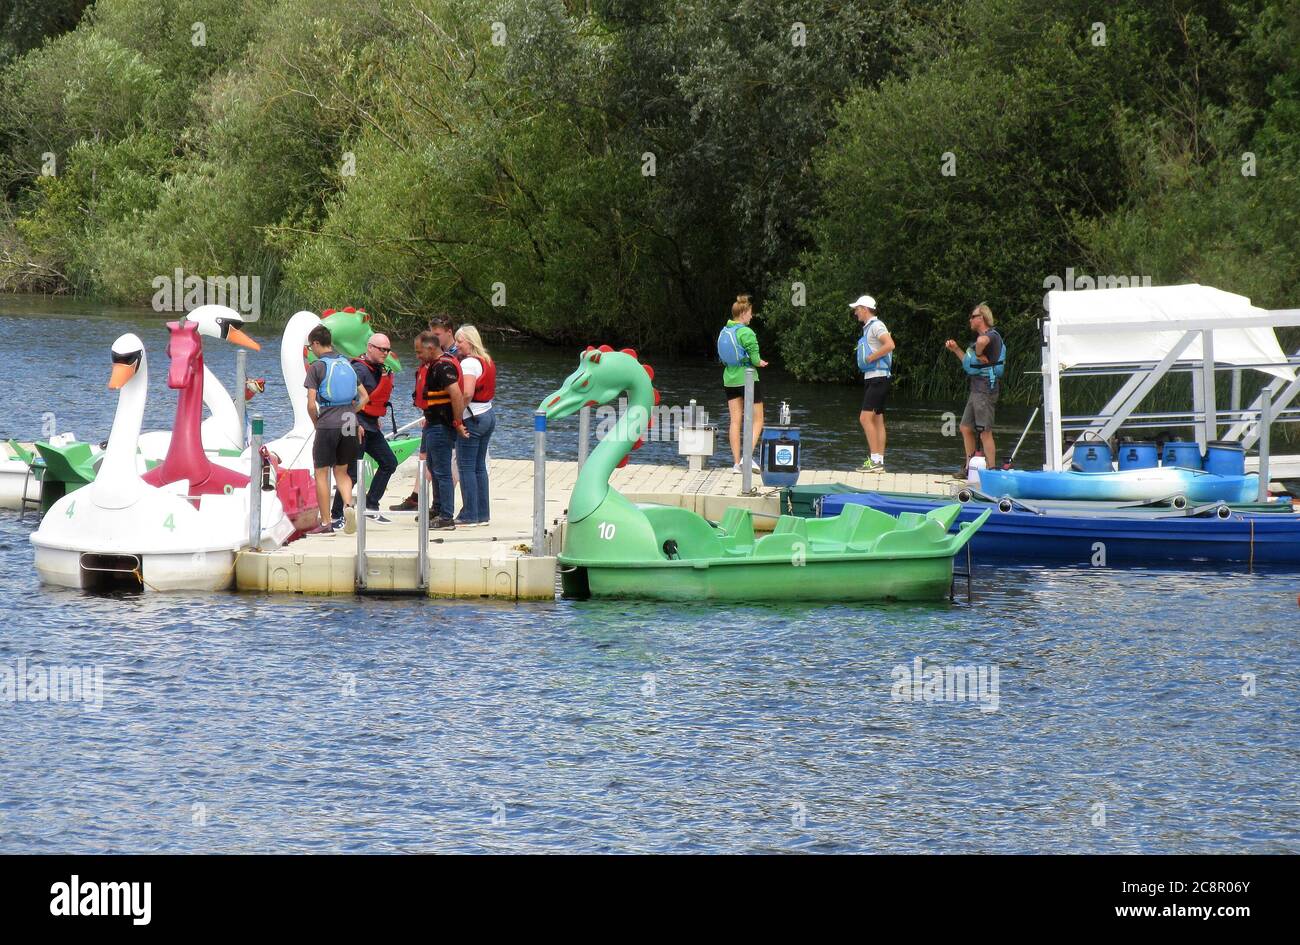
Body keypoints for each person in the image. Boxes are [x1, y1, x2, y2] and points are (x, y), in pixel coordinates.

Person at [304, 325, 368, 535]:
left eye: (310, 346)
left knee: (321, 472)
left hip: (328, 421)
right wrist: (350, 411)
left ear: (315, 343)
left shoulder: (317, 367)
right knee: (342, 470)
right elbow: (364, 397)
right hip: (350, 420)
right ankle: (348, 507)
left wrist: (317, 423)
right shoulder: (347, 364)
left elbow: (311, 405)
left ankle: (326, 523)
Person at [329, 332, 398, 524]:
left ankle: (371, 505)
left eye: (388, 350)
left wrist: (375, 417)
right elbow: (345, 400)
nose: (385, 353)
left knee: (389, 462)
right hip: (354, 425)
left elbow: (376, 398)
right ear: (370, 347)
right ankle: (337, 515)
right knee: (351, 473)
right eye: (381, 349)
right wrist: (355, 422)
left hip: (371, 426)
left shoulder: (379, 369)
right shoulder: (358, 370)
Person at [415, 330, 469, 530]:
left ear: (431, 348)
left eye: (419, 352)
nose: (418, 356)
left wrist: (458, 423)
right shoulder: (435, 364)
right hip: (432, 423)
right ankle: (437, 508)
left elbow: (456, 394)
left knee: (442, 471)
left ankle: (446, 516)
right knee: (433, 467)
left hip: (441, 425)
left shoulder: (443, 366)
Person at [945, 302, 1004, 475]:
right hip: (976, 389)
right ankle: (969, 467)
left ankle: (991, 470)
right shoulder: (981, 339)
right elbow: (969, 364)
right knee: (965, 427)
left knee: (985, 432)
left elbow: (982, 340)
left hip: (986, 389)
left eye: (973, 316)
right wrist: (956, 349)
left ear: (982, 318)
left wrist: (978, 353)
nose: (970, 319)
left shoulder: (992, 336)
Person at [718, 294, 768, 473]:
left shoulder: (725, 331)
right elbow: (755, 359)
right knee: (758, 420)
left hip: (729, 379)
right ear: (744, 313)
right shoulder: (747, 332)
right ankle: (747, 458)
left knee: (735, 421)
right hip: (747, 379)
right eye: (751, 313)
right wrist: (760, 362)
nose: (752, 316)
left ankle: (736, 463)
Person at [452, 325, 496, 526]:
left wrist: (457, 417)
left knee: (466, 467)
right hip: (487, 414)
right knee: (479, 466)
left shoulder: (469, 363)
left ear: (469, 341)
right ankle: (482, 513)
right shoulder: (485, 360)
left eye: (459, 341)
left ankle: (470, 514)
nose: (456, 345)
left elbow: (467, 393)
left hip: (473, 417)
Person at [852, 294, 894, 472]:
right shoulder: (868, 327)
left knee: (864, 418)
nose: (855, 313)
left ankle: (875, 461)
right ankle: (879, 461)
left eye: (857, 309)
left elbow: (889, 345)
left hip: (878, 377)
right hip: (874, 378)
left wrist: (870, 357)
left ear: (865, 309)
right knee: (877, 419)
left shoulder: (877, 325)